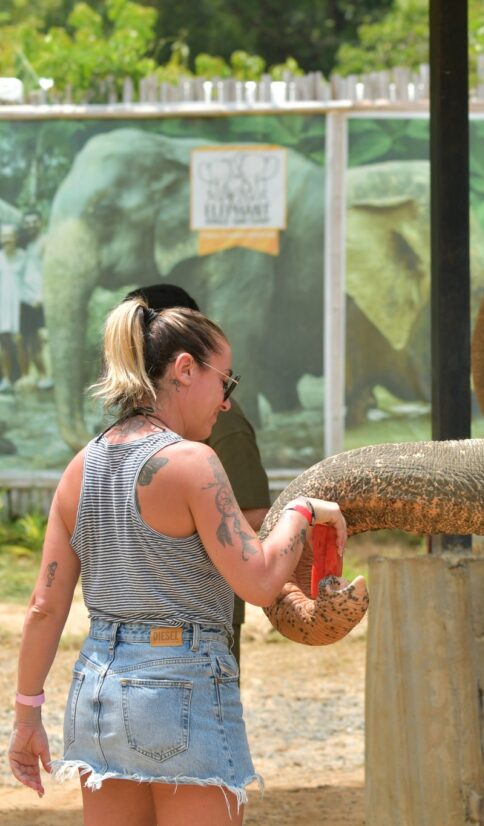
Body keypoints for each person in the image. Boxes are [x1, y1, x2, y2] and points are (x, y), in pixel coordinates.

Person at [7, 296, 346, 823]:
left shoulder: (82, 466)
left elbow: (43, 608)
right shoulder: (193, 463)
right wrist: (301, 510)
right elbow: (258, 581)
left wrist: (26, 715)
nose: (227, 402)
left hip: (98, 688)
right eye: (225, 382)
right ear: (185, 370)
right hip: (181, 684)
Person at [126, 284, 270, 671]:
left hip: (203, 623)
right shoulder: (123, 434)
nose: (224, 398)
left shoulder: (220, 420)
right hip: (141, 628)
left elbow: (255, 514)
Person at [17, 210, 51, 390]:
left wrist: (43, 295)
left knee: (43, 338)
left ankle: (48, 376)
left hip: (41, 298)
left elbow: (51, 271)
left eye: (34, 222)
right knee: (30, 339)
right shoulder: (26, 245)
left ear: (40, 222)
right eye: (27, 223)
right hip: (26, 299)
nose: (30, 226)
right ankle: (40, 376)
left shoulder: (46, 243)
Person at [0, 224, 22, 392]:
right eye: (4, 236)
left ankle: (25, 379)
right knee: (4, 344)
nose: (8, 239)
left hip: (23, 306)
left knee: (22, 342)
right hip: (3, 305)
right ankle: (6, 379)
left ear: (16, 238)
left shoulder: (24, 256)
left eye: (11, 235)